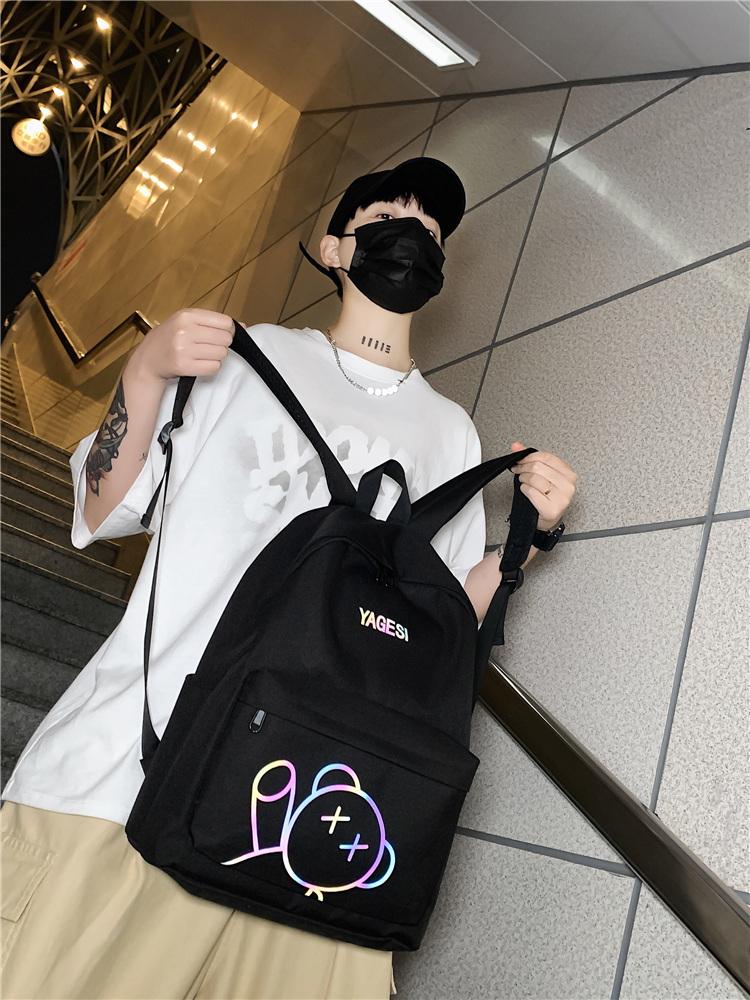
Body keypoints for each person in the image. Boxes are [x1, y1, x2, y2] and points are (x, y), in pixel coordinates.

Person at [0, 156, 531, 999]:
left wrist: (523, 544)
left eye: (431, 229)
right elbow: (103, 512)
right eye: (387, 216)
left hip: (307, 816)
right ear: (332, 247)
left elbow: (440, 625)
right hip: (128, 772)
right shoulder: (241, 356)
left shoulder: (451, 434)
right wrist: (144, 371)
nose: (413, 236)